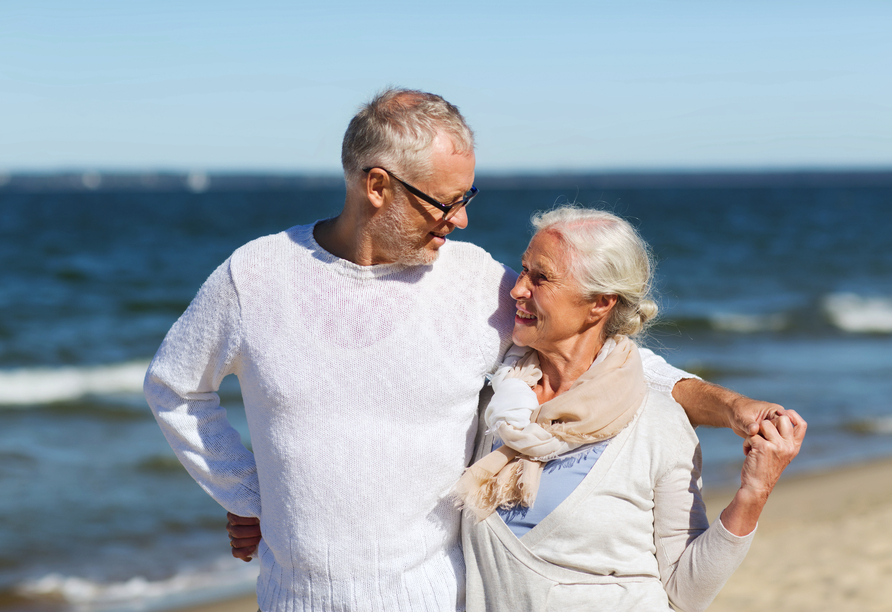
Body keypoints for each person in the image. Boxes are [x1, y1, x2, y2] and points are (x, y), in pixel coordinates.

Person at [146, 88, 792, 612]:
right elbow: (176, 386)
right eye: (447, 202)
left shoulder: (475, 281)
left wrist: (729, 403)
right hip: (296, 600)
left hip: (445, 596)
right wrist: (248, 496)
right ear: (378, 186)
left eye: (467, 198)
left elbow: (609, 354)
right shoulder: (255, 275)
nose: (460, 220)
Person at [454, 207, 806, 611]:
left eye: (541, 277)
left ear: (600, 304)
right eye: (523, 270)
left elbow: (686, 592)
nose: (517, 290)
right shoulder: (500, 399)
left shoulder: (658, 424)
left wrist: (754, 491)